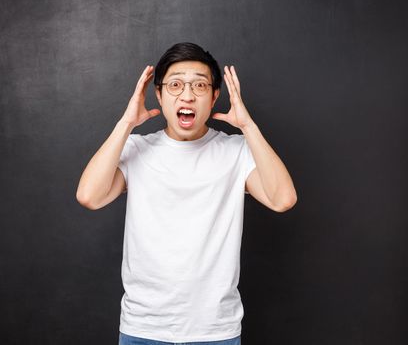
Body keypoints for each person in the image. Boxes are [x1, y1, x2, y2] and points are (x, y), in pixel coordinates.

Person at [76, 42, 297, 345]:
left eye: (200, 86)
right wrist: (126, 123)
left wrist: (248, 126)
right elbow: (90, 195)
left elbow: (282, 199)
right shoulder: (137, 149)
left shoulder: (236, 152)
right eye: (176, 84)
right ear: (159, 94)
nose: (188, 95)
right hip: (143, 328)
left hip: (215, 331)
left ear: (215, 96)